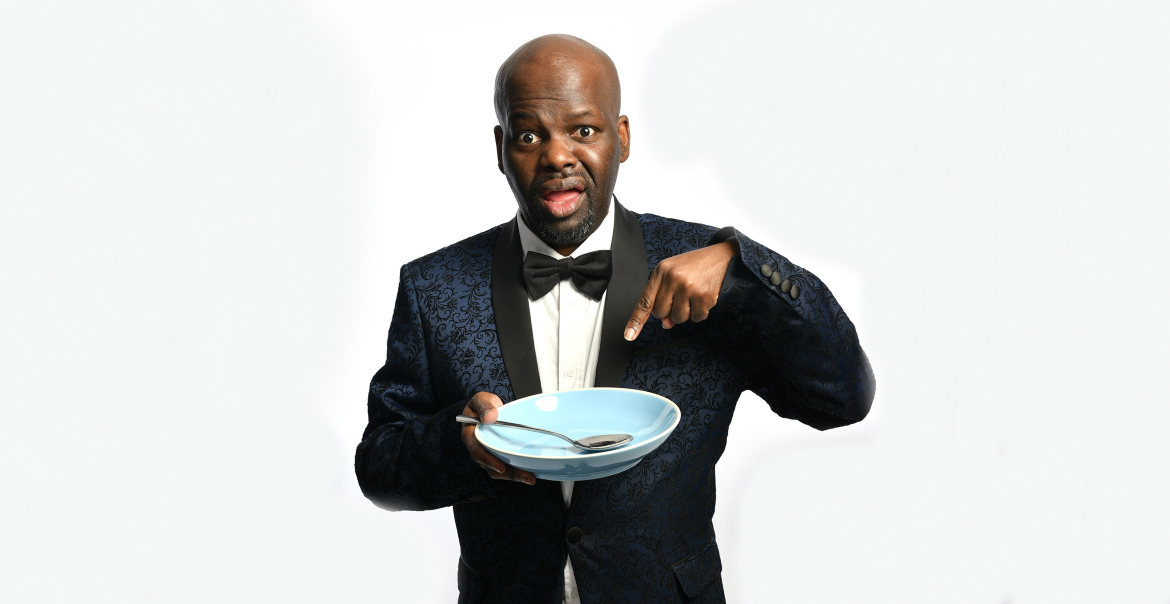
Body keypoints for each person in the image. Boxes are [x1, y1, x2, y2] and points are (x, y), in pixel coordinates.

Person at [355, 34, 875, 603]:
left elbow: (843, 399)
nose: (557, 156)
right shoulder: (434, 287)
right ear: (501, 147)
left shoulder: (708, 271)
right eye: (530, 135)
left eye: (584, 130)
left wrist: (744, 268)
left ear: (620, 139)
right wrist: (460, 447)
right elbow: (380, 466)